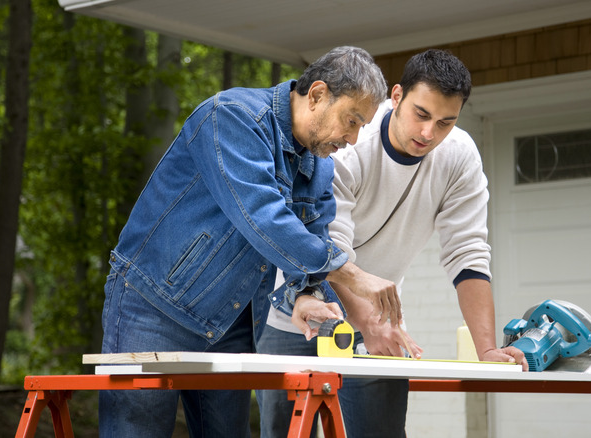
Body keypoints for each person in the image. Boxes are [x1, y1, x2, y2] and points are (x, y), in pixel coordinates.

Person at [98, 46, 394, 438]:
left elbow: (310, 240)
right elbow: (262, 218)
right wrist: (352, 274)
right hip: (153, 305)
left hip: (228, 320)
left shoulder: (319, 167)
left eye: (362, 126)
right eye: (351, 121)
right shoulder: (232, 118)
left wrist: (305, 295)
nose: (354, 138)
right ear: (318, 94)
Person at [257, 49, 529, 438]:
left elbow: (468, 253)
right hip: (296, 313)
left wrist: (486, 350)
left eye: (445, 122)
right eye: (421, 114)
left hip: (377, 324)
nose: (428, 134)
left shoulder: (459, 156)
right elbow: (328, 248)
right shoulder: (347, 142)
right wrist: (368, 321)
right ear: (397, 96)